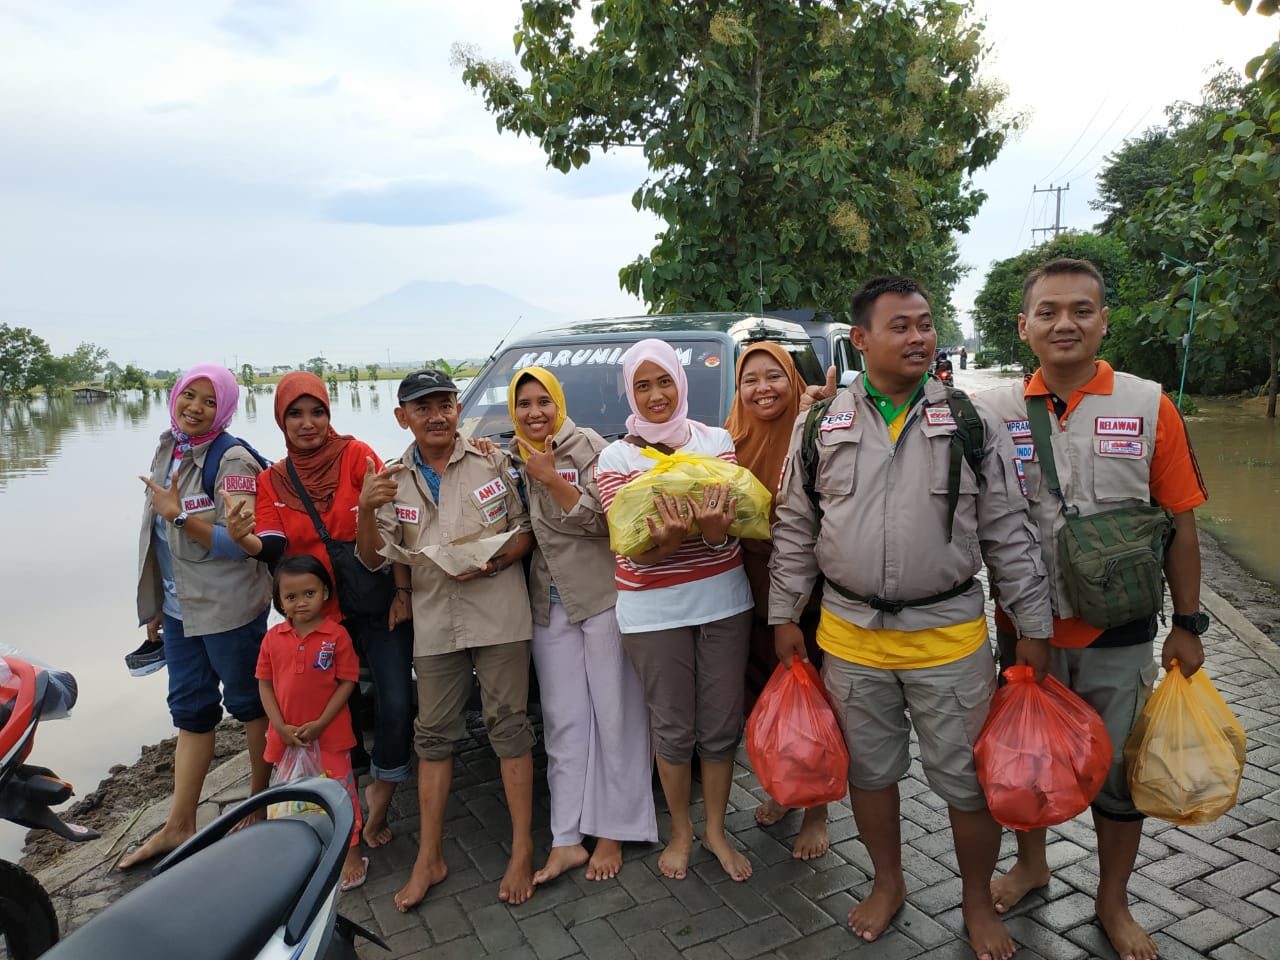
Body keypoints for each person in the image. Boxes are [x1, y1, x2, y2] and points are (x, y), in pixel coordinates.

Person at [769, 277, 1053, 960]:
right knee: (869, 773)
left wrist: (1032, 624)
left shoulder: (970, 420)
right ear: (861, 340)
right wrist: (784, 614)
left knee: (967, 782)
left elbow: (1008, 531)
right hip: (850, 637)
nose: (919, 337)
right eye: (901, 326)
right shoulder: (819, 423)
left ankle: (977, 900)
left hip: (950, 638)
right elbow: (794, 525)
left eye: (925, 324)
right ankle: (888, 881)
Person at [976, 258, 1208, 960]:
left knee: (1118, 779)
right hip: (1026, 636)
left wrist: (1189, 625)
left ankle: (1113, 901)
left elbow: (1182, 522)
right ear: (1024, 327)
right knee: (1028, 765)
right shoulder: (995, 413)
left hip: (1122, 633)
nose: (1065, 322)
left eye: (1082, 309)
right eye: (1048, 311)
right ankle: (1031, 863)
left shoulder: (1147, 405)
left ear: (1105, 320)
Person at [355, 368, 537, 911]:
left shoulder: (493, 460)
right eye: (422, 406)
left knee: (510, 727)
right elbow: (371, 558)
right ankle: (429, 857)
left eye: (445, 404)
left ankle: (523, 848)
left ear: (459, 409)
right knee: (432, 736)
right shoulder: (390, 480)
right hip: (435, 623)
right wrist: (365, 507)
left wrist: (494, 559)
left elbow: (527, 531)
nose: (436, 415)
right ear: (402, 417)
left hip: (500, 613)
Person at [224, 371, 413, 850]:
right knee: (337, 712)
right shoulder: (273, 480)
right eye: (295, 414)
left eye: (317, 412)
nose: (307, 423)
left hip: (373, 601)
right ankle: (345, 796)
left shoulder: (357, 456)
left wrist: (401, 591)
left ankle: (383, 789)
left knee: (395, 700)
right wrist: (240, 534)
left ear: (329, 415)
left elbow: (391, 534)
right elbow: (272, 545)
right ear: (280, 420)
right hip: (316, 616)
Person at [594, 339, 755, 883]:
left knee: (720, 725)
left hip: (723, 601)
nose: (656, 395)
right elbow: (627, 546)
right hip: (652, 612)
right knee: (672, 729)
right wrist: (663, 544)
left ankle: (715, 829)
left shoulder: (718, 440)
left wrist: (709, 536)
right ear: (631, 393)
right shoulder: (615, 458)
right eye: (643, 385)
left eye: (664, 381)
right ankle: (681, 830)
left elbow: (731, 524)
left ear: (681, 384)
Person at [507, 366, 658, 884]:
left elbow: (606, 522)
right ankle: (567, 838)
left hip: (600, 597)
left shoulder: (589, 447)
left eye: (542, 401)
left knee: (616, 713)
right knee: (563, 721)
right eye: (523, 403)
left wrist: (551, 479)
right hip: (549, 605)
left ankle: (614, 829)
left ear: (559, 403)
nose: (534, 413)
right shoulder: (510, 457)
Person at [122, 364, 272, 869]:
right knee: (190, 710)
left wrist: (180, 514)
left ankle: (260, 803)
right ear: (176, 395)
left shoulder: (230, 460)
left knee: (250, 705)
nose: (197, 408)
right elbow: (157, 538)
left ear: (225, 408)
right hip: (180, 610)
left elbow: (243, 544)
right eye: (191, 395)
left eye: (211, 401)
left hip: (229, 608)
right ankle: (179, 822)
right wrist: (157, 605)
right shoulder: (170, 446)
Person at [723, 341, 832, 860]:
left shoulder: (814, 428)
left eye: (774, 377)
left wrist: (817, 417)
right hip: (748, 584)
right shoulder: (726, 441)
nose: (762, 389)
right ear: (738, 390)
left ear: (792, 380)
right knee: (770, 696)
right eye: (751, 380)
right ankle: (784, 789)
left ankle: (818, 810)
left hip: (809, 585)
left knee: (814, 693)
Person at [255, 555, 366, 890]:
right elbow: (264, 683)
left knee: (342, 792)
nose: (300, 602)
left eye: (309, 593)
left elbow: (347, 682)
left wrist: (320, 723)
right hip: (286, 739)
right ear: (279, 602)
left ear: (326, 593)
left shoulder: (336, 636)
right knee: (289, 795)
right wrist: (280, 726)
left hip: (330, 735)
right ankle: (296, 852)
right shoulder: (272, 639)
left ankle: (351, 852)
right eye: (290, 597)